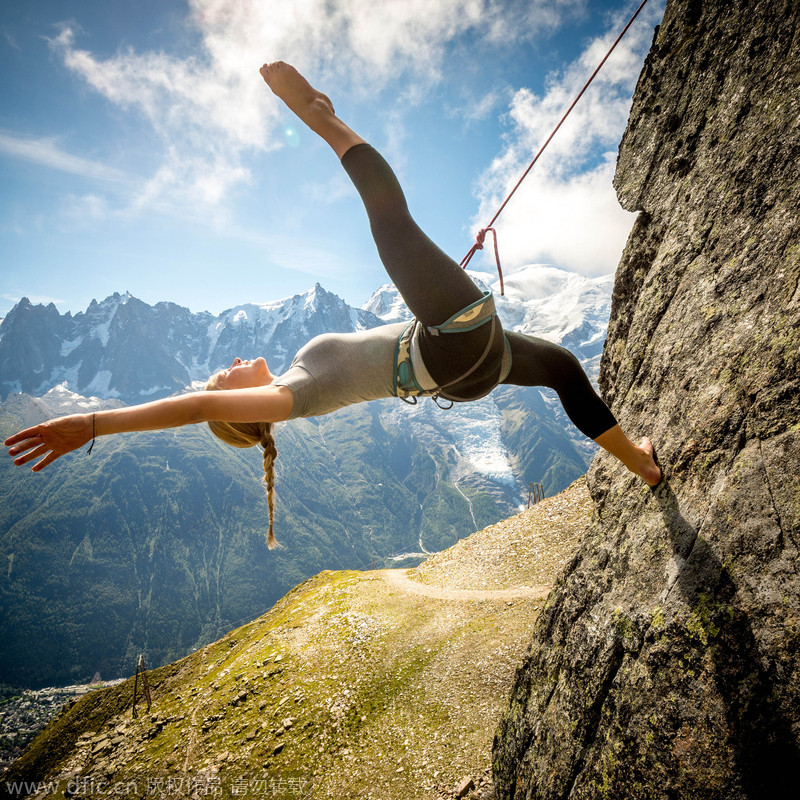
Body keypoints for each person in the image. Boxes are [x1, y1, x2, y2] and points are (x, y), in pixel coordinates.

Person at [4, 62, 662, 548]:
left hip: (462, 365)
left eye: (225, 372)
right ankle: (319, 114)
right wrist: (91, 423)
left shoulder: (296, 378)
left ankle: (641, 463)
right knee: (390, 224)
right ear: (244, 408)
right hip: (452, 347)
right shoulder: (290, 398)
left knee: (564, 369)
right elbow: (200, 406)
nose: (231, 363)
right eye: (225, 375)